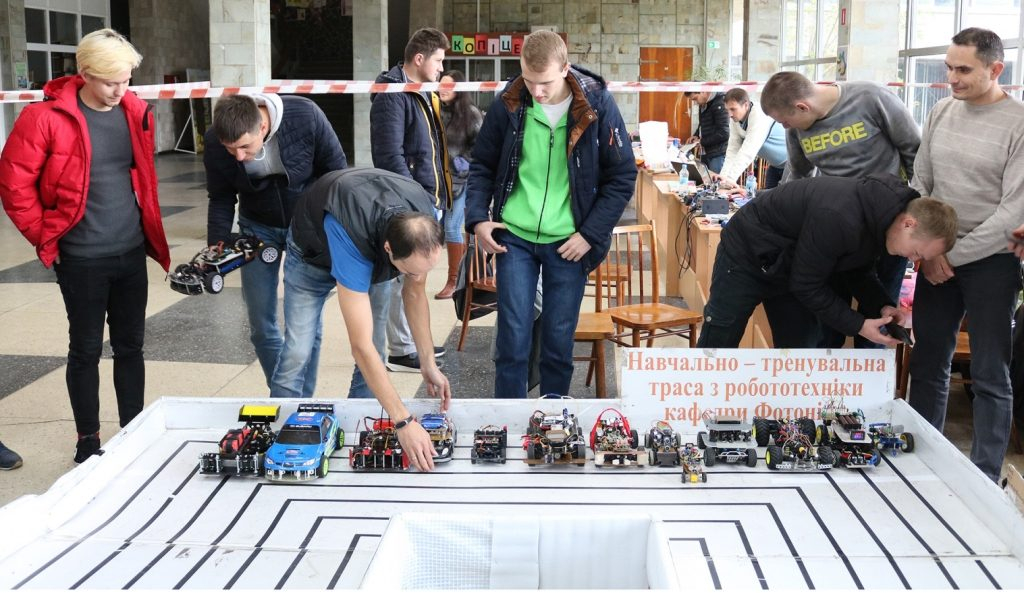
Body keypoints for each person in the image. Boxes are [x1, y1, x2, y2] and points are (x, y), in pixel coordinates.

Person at [0, 29, 170, 463]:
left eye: (126, 80)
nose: (120, 90)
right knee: (86, 349)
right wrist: (46, 235)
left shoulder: (134, 111)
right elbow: (15, 185)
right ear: (85, 74)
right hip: (81, 258)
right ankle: (88, 441)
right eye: (110, 82)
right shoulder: (44, 118)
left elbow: (141, 177)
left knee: (131, 346)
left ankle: (133, 430)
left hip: (130, 251)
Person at [466, 30, 637, 399]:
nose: (536, 91)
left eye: (544, 82)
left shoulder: (597, 104)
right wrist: (478, 218)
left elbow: (622, 176)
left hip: (569, 243)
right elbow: (482, 165)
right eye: (529, 80)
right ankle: (508, 420)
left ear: (564, 68)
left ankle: (554, 419)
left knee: (558, 344)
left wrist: (590, 234)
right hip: (514, 238)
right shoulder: (510, 101)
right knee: (512, 340)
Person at [907, 28, 1024, 483]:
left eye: (963, 69)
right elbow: (922, 182)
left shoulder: (1017, 123)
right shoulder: (941, 110)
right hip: (937, 256)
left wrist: (950, 256)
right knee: (928, 363)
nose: (952, 78)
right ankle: (925, 463)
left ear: (996, 70)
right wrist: (928, 247)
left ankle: (985, 477)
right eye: (948, 68)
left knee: (991, 372)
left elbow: (1013, 211)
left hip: (991, 261)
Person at [286, 167, 450, 470]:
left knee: (377, 347)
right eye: (410, 271)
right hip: (312, 253)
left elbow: (414, 294)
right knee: (298, 350)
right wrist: (404, 422)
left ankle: (358, 425)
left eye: (424, 270)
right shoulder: (351, 231)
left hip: (370, 242)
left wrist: (428, 363)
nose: (417, 277)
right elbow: (359, 346)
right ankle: (284, 434)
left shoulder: (421, 222)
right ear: (388, 249)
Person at [696, 174, 957, 350]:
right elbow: (806, 285)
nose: (913, 260)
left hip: (794, 264)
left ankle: (789, 415)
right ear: (908, 224)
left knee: (800, 350)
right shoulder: (840, 217)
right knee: (720, 338)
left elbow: (857, 270)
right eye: (917, 252)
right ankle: (699, 407)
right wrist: (858, 325)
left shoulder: (883, 220)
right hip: (747, 254)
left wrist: (882, 305)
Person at [761, 71, 922, 349]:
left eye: (785, 120)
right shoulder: (796, 128)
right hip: (836, 231)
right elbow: (798, 175)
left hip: (889, 228)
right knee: (831, 316)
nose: (785, 126)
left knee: (881, 312)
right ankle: (831, 373)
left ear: (802, 106)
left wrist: (917, 215)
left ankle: (870, 375)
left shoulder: (871, 98)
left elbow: (914, 154)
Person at [204, 93, 347, 397]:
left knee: (305, 326)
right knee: (260, 323)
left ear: (262, 127)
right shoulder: (216, 140)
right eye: (230, 149)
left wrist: (331, 231)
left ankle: (301, 404)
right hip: (257, 228)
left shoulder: (306, 116)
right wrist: (216, 244)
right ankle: (287, 397)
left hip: (305, 225)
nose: (238, 156)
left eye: (245, 147)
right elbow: (221, 196)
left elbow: (336, 174)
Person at [370, 27, 452, 374]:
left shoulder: (422, 91)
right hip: (411, 202)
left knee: (415, 277)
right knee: (403, 274)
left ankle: (411, 342)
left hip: (427, 197)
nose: (441, 68)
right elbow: (389, 156)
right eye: (438, 60)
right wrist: (415, 201)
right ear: (419, 59)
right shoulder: (392, 94)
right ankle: (402, 349)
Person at [434, 69, 484, 300]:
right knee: (440, 227)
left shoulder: (471, 114)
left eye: (448, 85)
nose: (442, 89)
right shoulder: (435, 111)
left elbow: (481, 147)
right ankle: (463, 277)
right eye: (441, 84)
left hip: (462, 180)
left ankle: (454, 281)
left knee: (452, 227)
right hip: (438, 180)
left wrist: (462, 163)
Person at [713, 88, 788, 190]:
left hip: (790, 165)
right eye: (727, 110)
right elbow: (732, 151)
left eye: (733, 109)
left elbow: (748, 152)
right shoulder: (735, 119)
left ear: (746, 105)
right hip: (775, 166)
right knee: (770, 198)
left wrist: (730, 179)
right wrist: (722, 179)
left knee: (782, 198)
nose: (729, 114)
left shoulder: (759, 114)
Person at [683, 91, 730, 174]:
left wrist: (702, 141)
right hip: (706, 152)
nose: (695, 103)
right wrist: (696, 135)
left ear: (703, 91)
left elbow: (724, 133)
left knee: (716, 180)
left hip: (718, 154)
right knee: (706, 179)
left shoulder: (720, 103)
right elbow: (702, 124)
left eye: (695, 99)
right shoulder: (703, 103)